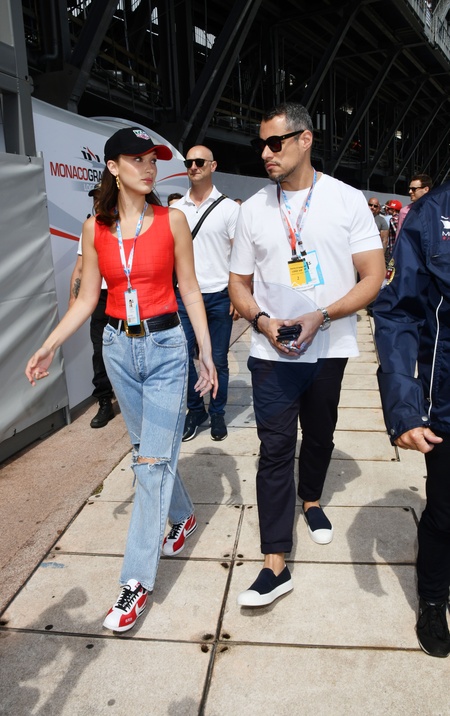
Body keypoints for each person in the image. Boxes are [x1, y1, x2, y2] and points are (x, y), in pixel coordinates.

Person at [26, 127, 217, 633]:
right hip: (118, 348)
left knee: (149, 466)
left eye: (152, 159)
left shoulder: (172, 220)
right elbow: (87, 298)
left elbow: (190, 290)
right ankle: (183, 516)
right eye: (136, 159)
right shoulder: (95, 228)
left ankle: (135, 582)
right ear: (112, 167)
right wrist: (49, 343)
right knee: (146, 451)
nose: (148, 167)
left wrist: (206, 352)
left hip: (166, 348)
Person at [228, 102, 385, 607]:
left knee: (319, 435)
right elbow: (238, 282)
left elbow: (373, 277)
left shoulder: (346, 200)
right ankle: (274, 563)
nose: (265, 153)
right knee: (274, 450)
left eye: (275, 143)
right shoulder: (253, 209)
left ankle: (311, 499)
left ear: (305, 139)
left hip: (329, 347)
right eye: (260, 145)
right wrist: (261, 320)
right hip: (270, 351)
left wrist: (324, 315)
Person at [373, 181, 450, 659]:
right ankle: (434, 599)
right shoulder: (431, 214)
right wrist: (404, 408)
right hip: (446, 405)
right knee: (444, 513)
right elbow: (399, 313)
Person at [172, 145, 240, 442]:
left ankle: (218, 413)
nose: (193, 166)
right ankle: (196, 410)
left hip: (220, 296)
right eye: (188, 162)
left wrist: (238, 295)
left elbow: (240, 256)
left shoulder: (229, 209)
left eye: (199, 161)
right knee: (182, 357)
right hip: (183, 298)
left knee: (219, 359)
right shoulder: (176, 210)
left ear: (213, 166)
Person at [69, 182, 115, 428]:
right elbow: (79, 268)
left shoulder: (127, 225)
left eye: (101, 196)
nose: (98, 202)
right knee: (100, 351)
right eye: (95, 198)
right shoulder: (89, 228)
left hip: (124, 296)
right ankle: (105, 401)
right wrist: (73, 300)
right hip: (97, 297)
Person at [384, 199, 402, 263]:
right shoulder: (401, 217)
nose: (387, 210)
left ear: (393, 210)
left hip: (394, 248)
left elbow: (398, 233)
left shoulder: (393, 219)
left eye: (389, 208)